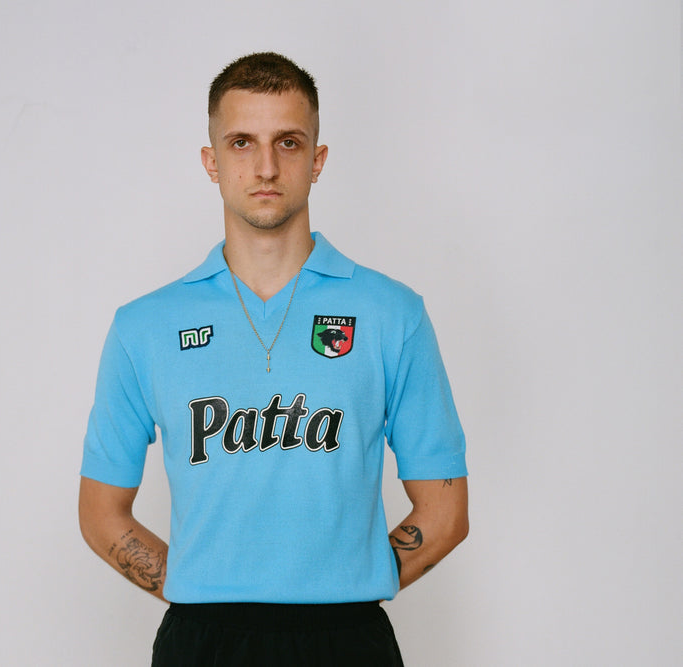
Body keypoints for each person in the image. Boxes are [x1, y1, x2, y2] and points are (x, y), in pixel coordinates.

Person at [79, 52, 468, 666]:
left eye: (288, 142)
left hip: (347, 638)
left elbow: (445, 510)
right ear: (211, 161)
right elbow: (101, 511)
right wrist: (200, 589)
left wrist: (349, 582)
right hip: (202, 640)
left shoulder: (392, 314)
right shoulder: (144, 326)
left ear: (318, 159)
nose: (265, 166)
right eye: (242, 143)